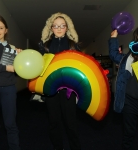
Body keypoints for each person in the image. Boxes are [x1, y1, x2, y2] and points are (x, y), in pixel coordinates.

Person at [36, 12, 81, 150]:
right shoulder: (45, 45)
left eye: (62, 25)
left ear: (67, 28)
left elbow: (80, 66)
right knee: (54, 121)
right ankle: (58, 147)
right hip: (51, 89)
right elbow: (39, 66)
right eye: (56, 26)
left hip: (69, 89)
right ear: (51, 28)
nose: (59, 28)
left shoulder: (73, 45)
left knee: (71, 122)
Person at [108, 26, 138, 150]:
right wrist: (113, 39)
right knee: (128, 132)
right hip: (129, 102)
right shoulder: (128, 58)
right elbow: (114, 56)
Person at [0, 15, 22, 150]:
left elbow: (19, 71)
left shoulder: (13, 48)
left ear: (6, 30)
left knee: (10, 123)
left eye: (1, 28)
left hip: (9, 89)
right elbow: (6, 67)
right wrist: (6, 67)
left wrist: (20, 58)